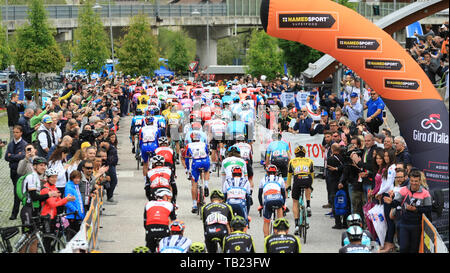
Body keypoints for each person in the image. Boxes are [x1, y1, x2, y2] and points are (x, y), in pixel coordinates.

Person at [389, 169, 432, 253]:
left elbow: (428, 209)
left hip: (417, 226)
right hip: (404, 224)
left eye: (416, 181)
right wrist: (391, 202)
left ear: (420, 181)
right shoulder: (404, 190)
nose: (414, 183)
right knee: (404, 248)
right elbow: (396, 203)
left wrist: (416, 209)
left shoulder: (425, 193)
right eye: (412, 181)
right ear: (409, 180)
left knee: (414, 249)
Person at [20, 157, 59, 229]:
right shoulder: (31, 177)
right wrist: (49, 195)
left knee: (35, 235)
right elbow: (34, 197)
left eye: (45, 165)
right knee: (29, 235)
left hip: (34, 209)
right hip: (28, 209)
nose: (44, 167)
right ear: (34, 166)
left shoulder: (36, 177)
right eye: (41, 165)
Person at [287, 145, 314, 231]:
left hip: (297, 180)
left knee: (295, 202)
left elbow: (289, 176)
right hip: (307, 179)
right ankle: (308, 205)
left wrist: (288, 186)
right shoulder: (310, 161)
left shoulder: (292, 161)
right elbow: (312, 175)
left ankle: (296, 225)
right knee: (308, 186)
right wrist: (310, 185)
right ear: (304, 154)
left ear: (295, 154)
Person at [40, 168, 76, 233]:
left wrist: (68, 199)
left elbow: (60, 201)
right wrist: (65, 199)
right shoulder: (45, 189)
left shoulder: (54, 187)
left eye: (56, 177)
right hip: (46, 216)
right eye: (52, 177)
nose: (54, 179)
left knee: (58, 233)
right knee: (48, 238)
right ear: (47, 178)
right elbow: (53, 204)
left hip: (54, 215)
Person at [4, 125, 28, 220]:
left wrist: (12, 156)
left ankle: (15, 212)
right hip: (13, 170)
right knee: (16, 190)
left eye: (17, 132)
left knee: (17, 192)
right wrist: (15, 156)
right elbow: (6, 157)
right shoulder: (10, 144)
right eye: (14, 132)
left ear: (21, 133)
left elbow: (22, 156)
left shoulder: (24, 144)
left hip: (20, 172)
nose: (15, 134)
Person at [184, 131, 211, 213]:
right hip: (205, 161)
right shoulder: (203, 144)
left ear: (191, 138)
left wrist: (188, 169)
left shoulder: (189, 145)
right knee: (206, 171)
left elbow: (187, 159)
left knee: (194, 183)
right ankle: (206, 185)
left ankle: (194, 205)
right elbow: (207, 153)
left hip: (196, 163)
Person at [376, 148, 397, 252]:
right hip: (385, 193)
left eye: (388, 156)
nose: (385, 158)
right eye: (385, 156)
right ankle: (386, 242)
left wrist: (379, 192)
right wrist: (380, 192)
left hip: (389, 194)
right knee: (387, 220)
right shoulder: (388, 166)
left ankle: (389, 243)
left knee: (389, 220)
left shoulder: (392, 167)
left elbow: (389, 184)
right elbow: (384, 183)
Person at [144, 188, 176, 253]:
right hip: (164, 228)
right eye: (169, 197)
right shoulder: (170, 205)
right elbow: (173, 223)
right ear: (164, 197)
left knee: (149, 249)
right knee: (166, 248)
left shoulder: (148, 204)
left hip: (150, 228)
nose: (170, 199)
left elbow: (145, 222)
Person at [258, 165, 286, 238]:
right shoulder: (280, 179)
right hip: (278, 198)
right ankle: (281, 234)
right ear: (276, 173)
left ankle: (266, 239)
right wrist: (283, 204)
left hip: (268, 199)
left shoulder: (263, 179)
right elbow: (283, 194)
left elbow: (259, 195)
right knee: (280, 217)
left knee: (266, 222)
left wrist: (261, 205)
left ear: (267, 173)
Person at [64, 170, 85, 235]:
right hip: (73, 215)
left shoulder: (75, 185)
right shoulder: (69, 187)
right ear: (72, 178)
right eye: (76, 178)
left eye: (79, 178)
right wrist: (76, 210)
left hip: (77, 215)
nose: (78, 180)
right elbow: (67, 202)